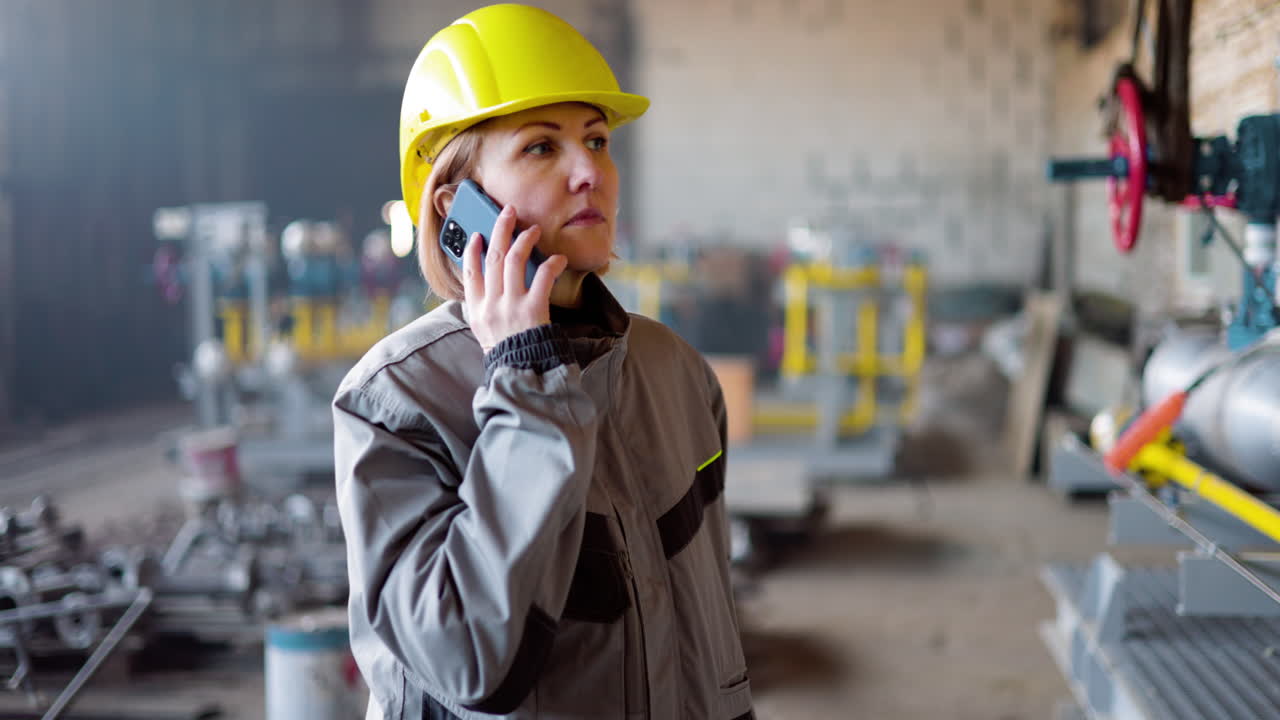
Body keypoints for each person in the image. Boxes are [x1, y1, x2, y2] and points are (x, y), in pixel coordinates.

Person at [333, 5, 753, 719]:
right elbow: (471, 663)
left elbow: (709, 629)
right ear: (454, 205)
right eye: (540, 148)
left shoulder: (674, 372)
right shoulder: (395, 401)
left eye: (597, 138)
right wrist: (528, 384)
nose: (590, 171)